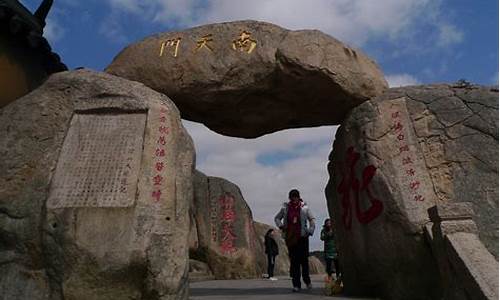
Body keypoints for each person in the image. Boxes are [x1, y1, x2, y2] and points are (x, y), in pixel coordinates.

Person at [275, 189, 316, 292]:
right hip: (291, 238)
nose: (294, 199)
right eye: (292, 197)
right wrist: (281, 226)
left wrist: (310, 230)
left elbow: (312, 219)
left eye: (296, 197)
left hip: (303, 237)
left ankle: (307, 281)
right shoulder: (285, 208)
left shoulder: (305, 208)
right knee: (294, 262)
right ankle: (296, 284)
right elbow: (277, 218)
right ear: (290, 197)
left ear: (299, 197)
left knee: (304, 261)